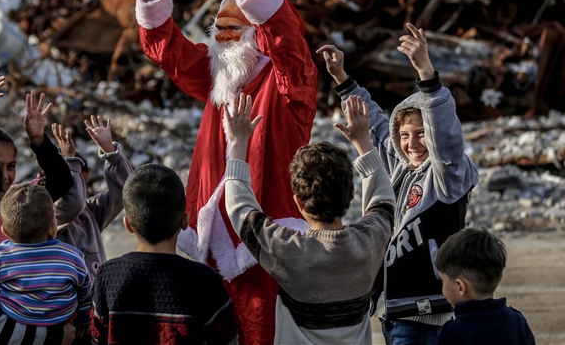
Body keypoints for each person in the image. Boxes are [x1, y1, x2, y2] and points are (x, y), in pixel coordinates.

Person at [137, 0, 318, 342]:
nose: (220, 38)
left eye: (233, 30)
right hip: (209, 250)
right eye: (216, 28)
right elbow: (165, 47)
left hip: (264, 250)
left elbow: (291, 44)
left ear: (258, 36)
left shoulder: (287, 85)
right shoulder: (219, 77)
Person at [318, 23, 478, 345]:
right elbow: (377, 125)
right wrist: (342, 78)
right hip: (392, 312)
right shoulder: (400, 168)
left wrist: (425, 72)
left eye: (421, 134)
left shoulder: (447, 176)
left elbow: (445, 136)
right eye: (405, 135)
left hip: (428, 315)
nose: (412, 143)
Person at [224, 94, 395, 344]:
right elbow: (384, 200)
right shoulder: (369, 242)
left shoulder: (288, 250)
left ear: (299, 202)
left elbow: (239, 209)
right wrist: (363, 141)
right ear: (350, 197)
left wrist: (238, 142)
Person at [90, 164, 238, 344]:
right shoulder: (205, 281)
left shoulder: (107, 276)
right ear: (185, 222)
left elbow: (96, 336)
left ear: (127, 224)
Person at [0, 183, 92, 333]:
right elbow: (86, 294)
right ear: (53, 228)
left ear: (4, 230)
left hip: (16, 328)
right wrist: (83, 321)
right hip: (63, 324)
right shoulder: (73, 257)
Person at [0, 90, 85, 244]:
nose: (4, 175)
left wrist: (38, 140)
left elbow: (61, 180)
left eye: (11, 166)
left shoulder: (23, 200)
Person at [50, 116, 132, 277]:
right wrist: (69, 161)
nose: (80, 191)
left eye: (83, 184)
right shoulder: (48, 217)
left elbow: (126, 190)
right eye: (74, 184)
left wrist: (110, 151)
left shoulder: (89, 212)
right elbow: (72, 203)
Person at [434, 228, 535, 345]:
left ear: (460, 287)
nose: (443, 288)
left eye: (443, 281)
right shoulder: (518, 322)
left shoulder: (454, 332)